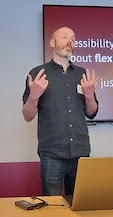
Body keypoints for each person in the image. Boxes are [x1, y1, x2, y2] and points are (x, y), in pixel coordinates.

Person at [22, 27, 98, 196]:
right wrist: (33, 96)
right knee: (52, 208)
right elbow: (28, 116)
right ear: (52, 42)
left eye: (73, 38)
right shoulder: (37, 74)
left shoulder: (83, 74)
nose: (69, 41)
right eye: (64, 37)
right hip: (52, 153)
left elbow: (92, 112)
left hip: (80, 151)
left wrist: (89, 95)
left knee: (79, 204)